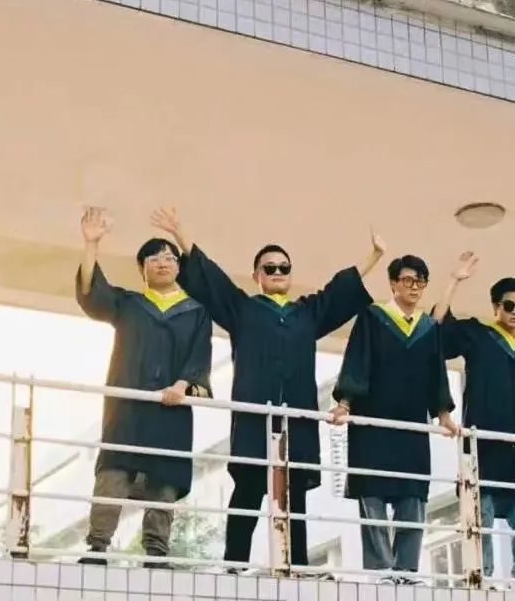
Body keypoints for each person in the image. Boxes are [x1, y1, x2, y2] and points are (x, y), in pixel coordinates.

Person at [150, 207, 385, 574]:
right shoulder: (242, 309)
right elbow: (211, 279)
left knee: (296, 498)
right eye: (270, 267)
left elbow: (339, 291)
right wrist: (181, 233)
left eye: (284, 267)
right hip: (254, 420)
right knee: (247, 491)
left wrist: (374, 256)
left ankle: (298, 566)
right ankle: (234, 564)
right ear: (257, 275)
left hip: (297, 421)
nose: (277, 272)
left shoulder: (307, 313)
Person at [75, 207, 213, 568]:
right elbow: (92, 294)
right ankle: (97, 547)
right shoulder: (129, 304)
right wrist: (91, 245)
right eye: (154, 258)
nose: (163, 262)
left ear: (179, 267)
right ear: (142, 269)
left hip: (171, 408)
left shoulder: (196, 312)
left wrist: (181, 385)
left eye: (169, 258)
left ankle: (156, 553)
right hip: (128, 409)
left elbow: (199, 355)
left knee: (164, 480)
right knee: (113, 473)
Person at [433, 253, 515, 589]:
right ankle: (482, 575)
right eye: (509, 305)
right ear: (495, 306)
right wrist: (454, 280)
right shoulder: (477, 334)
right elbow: (438, 326)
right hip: (484, 443)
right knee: (481, 511)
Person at [330, 254, 459, 584]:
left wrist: (443, 414)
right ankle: (382, 569)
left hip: (411, 428)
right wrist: (344, 404)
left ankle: (406, 569)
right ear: (393, 283)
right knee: (371, 493)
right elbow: (356, 362)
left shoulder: (427, 329)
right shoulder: (372, 318)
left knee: (412, 496)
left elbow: (436, 374)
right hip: (373, 424)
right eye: (407, 280)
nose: (414, 287)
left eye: (420, 282)